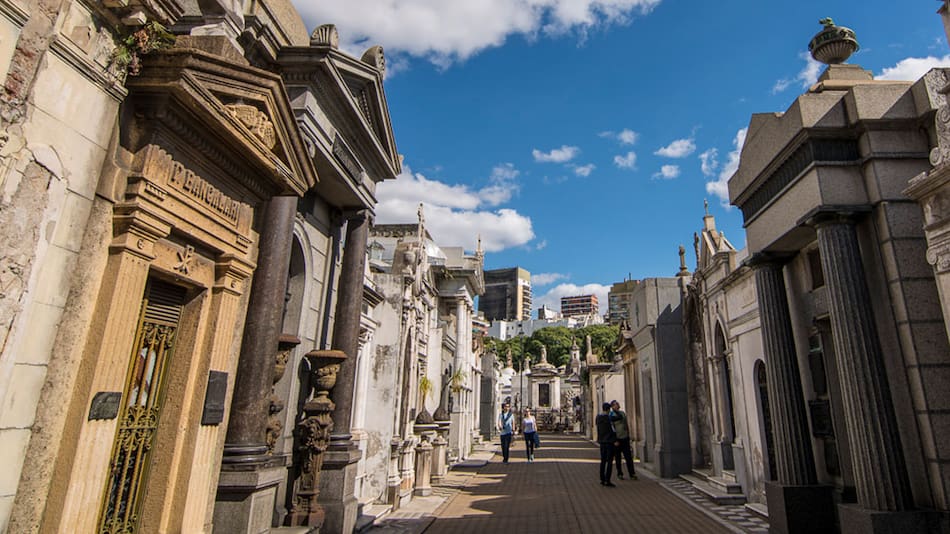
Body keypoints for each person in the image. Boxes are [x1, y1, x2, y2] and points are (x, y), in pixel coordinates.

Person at [610, 400, 637, 480]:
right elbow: (612, 428)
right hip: (617, 439)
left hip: (625, 437)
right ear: (612, 406)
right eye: (615, 404)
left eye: (617, 404)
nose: (617, 405)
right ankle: (619, 473)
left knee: (628, 457)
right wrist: (614, 440)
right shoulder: (611, 415)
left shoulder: (622, 413)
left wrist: (629, 435)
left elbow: (626, 424)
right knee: (618, 458)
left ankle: (632, 473)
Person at [596, 402, 617, 486]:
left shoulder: (598, 417)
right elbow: (612, 430)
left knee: (603, 461)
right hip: (609, 442)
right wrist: (615, 440)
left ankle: (602, 479)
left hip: (602, 441)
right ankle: (607, 480)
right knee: (609, 461)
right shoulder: (608, 418)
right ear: (608, 410)